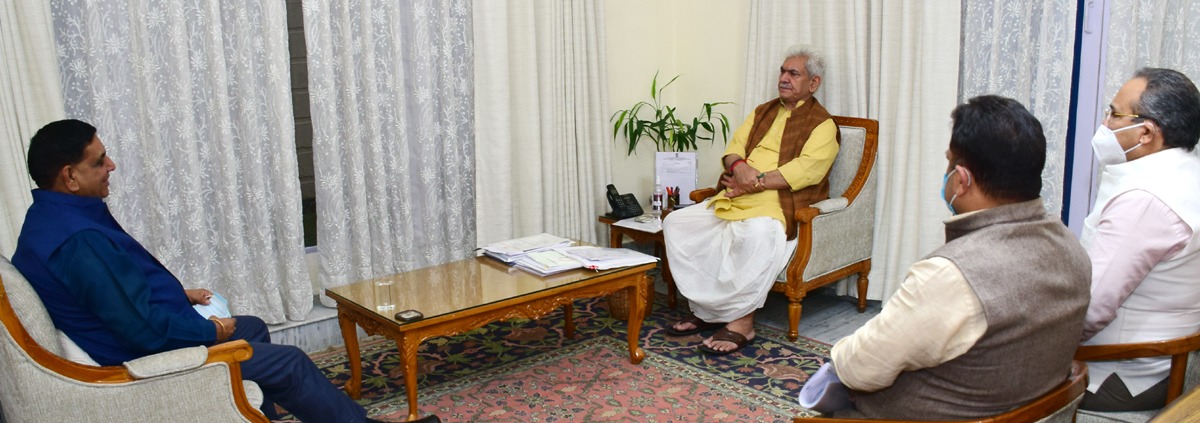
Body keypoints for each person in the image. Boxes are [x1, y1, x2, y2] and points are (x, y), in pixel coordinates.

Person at [11, 119, 439, 423]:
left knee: (250, 326)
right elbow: (141, 333)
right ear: (69, 176)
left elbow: (105, 294)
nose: (112, 166)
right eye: (99, 160)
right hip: (144, 359)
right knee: (289, 363)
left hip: (136, 333)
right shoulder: (78, 241)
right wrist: (210, 334)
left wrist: (180, 297)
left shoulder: (50, 218)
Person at [821, 96, 1091, 419]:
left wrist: (839, 356)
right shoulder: (1071, 247)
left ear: (961, 180)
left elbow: (859, 369)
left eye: (949, 163)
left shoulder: (951, 277)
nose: (946, 174)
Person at [661, 44, 840, 355]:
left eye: (793, 73)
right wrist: (740, 169)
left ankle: (743, 322)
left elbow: (804, 172)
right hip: (734, 195)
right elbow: (733, 150)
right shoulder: (763, 111)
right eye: (783, 71)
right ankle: (709, 312)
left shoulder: (823, 125)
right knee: (677, 222)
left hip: (777, 204)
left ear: (813, 83)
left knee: (756, 234)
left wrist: (752, 182)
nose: (784, 78)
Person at [1078, 68, 1200, 411]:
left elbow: (1090, 309)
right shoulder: (1188, 171)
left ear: (1146, 132)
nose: (1105, 123)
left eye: (1115, 114)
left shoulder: (1145, 201)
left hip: (1122, 371)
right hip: (1173, 362)